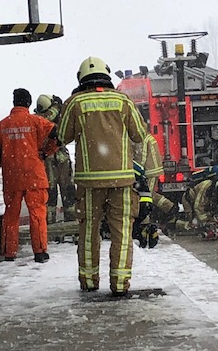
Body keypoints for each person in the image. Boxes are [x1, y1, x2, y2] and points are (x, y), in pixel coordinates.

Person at [58, 56, 150, 296]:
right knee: (122, 233)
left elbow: (62, 136)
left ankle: (89, 281)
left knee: (89, 232)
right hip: (123, 180)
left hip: (89, 183)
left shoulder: (75, 103)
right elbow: (140, 134)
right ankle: (120, 284)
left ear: (81, 78)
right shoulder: (123, 101)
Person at [0, 88, 57, 263]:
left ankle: (9, 252)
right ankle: (40, 252)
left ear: (14, 103)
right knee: (37, 215)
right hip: (34, 176)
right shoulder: (37, 122)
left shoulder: (2, 126)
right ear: (29, 103)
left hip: (12, 178)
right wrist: (46, 152)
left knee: (11, 216)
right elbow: (57, 135)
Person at [133, 126, 179, 248]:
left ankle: (145, 225)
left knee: (144, 197)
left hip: (148, 172)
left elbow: (140, 157)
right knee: (149, 195)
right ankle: (169, 208)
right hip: (152, 171)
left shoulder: (141, 138)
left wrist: (137, 170)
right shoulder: (147, 137)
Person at [34, 94, 76, 224]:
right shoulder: (43, 118)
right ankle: (58, 221)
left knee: (64, 190)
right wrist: (57, 107)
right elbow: (50, 119)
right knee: (56, 191)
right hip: (52, 157)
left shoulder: (40, 118)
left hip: (55, 158)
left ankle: (57, 220)